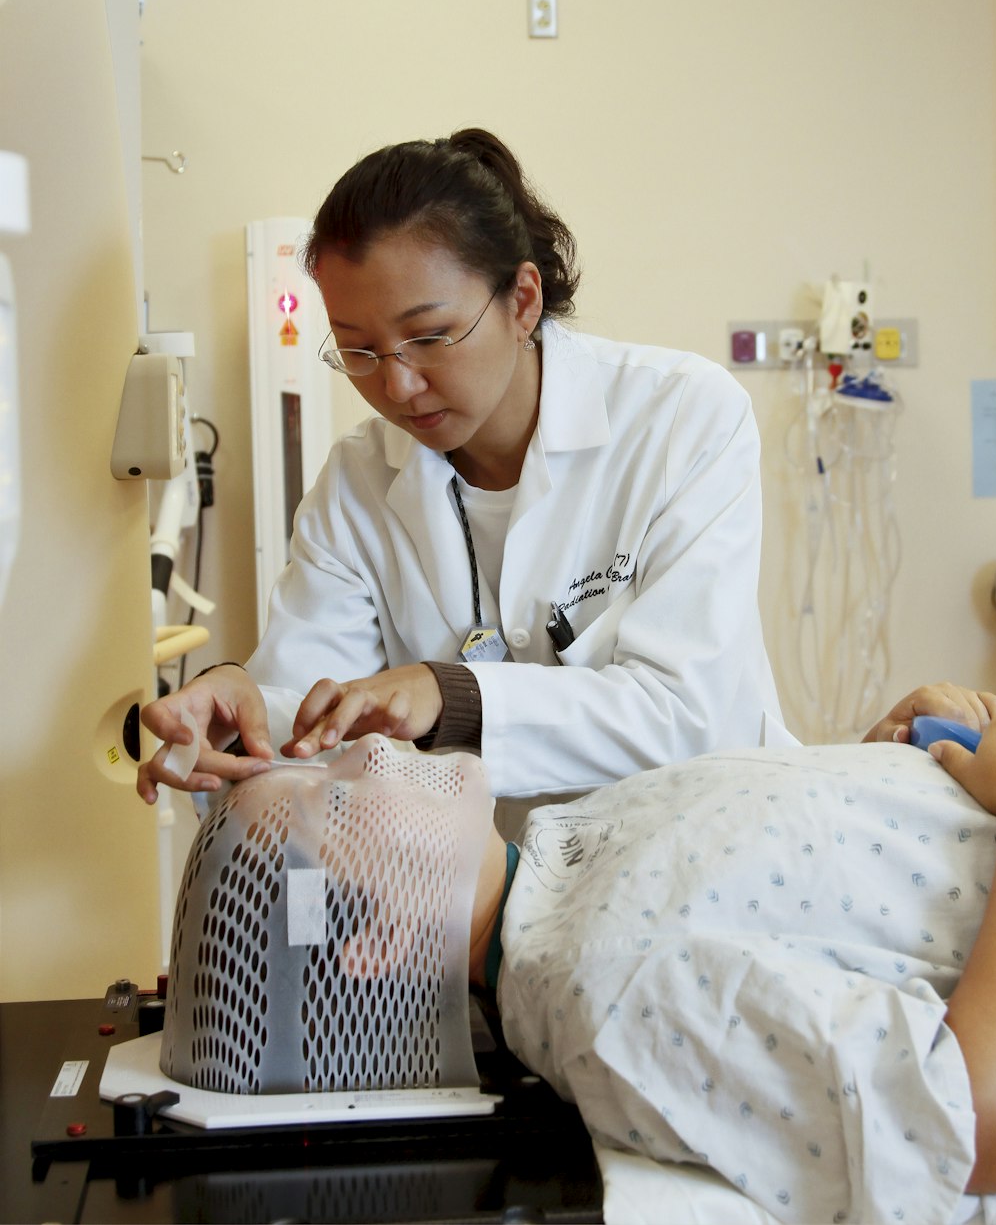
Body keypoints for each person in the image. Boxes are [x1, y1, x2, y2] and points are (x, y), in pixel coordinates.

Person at [139, 127, 795, 821]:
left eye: (428, 337)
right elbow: (314, 718)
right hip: (484, 895)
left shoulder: (682, 417)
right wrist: (238, 704)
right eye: (358, 351)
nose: (396, 384)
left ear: (523, 301)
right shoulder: (357, 484)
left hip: (699, 859)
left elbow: (687, 712)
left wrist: (450, 695)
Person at [465, 681, 996, 1222]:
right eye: (371, 782)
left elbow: (822, 885)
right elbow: (963, 1127)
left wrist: (892, 761)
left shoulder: (570, 871)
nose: (380, 748)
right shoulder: (613, 978)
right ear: (382, 946)